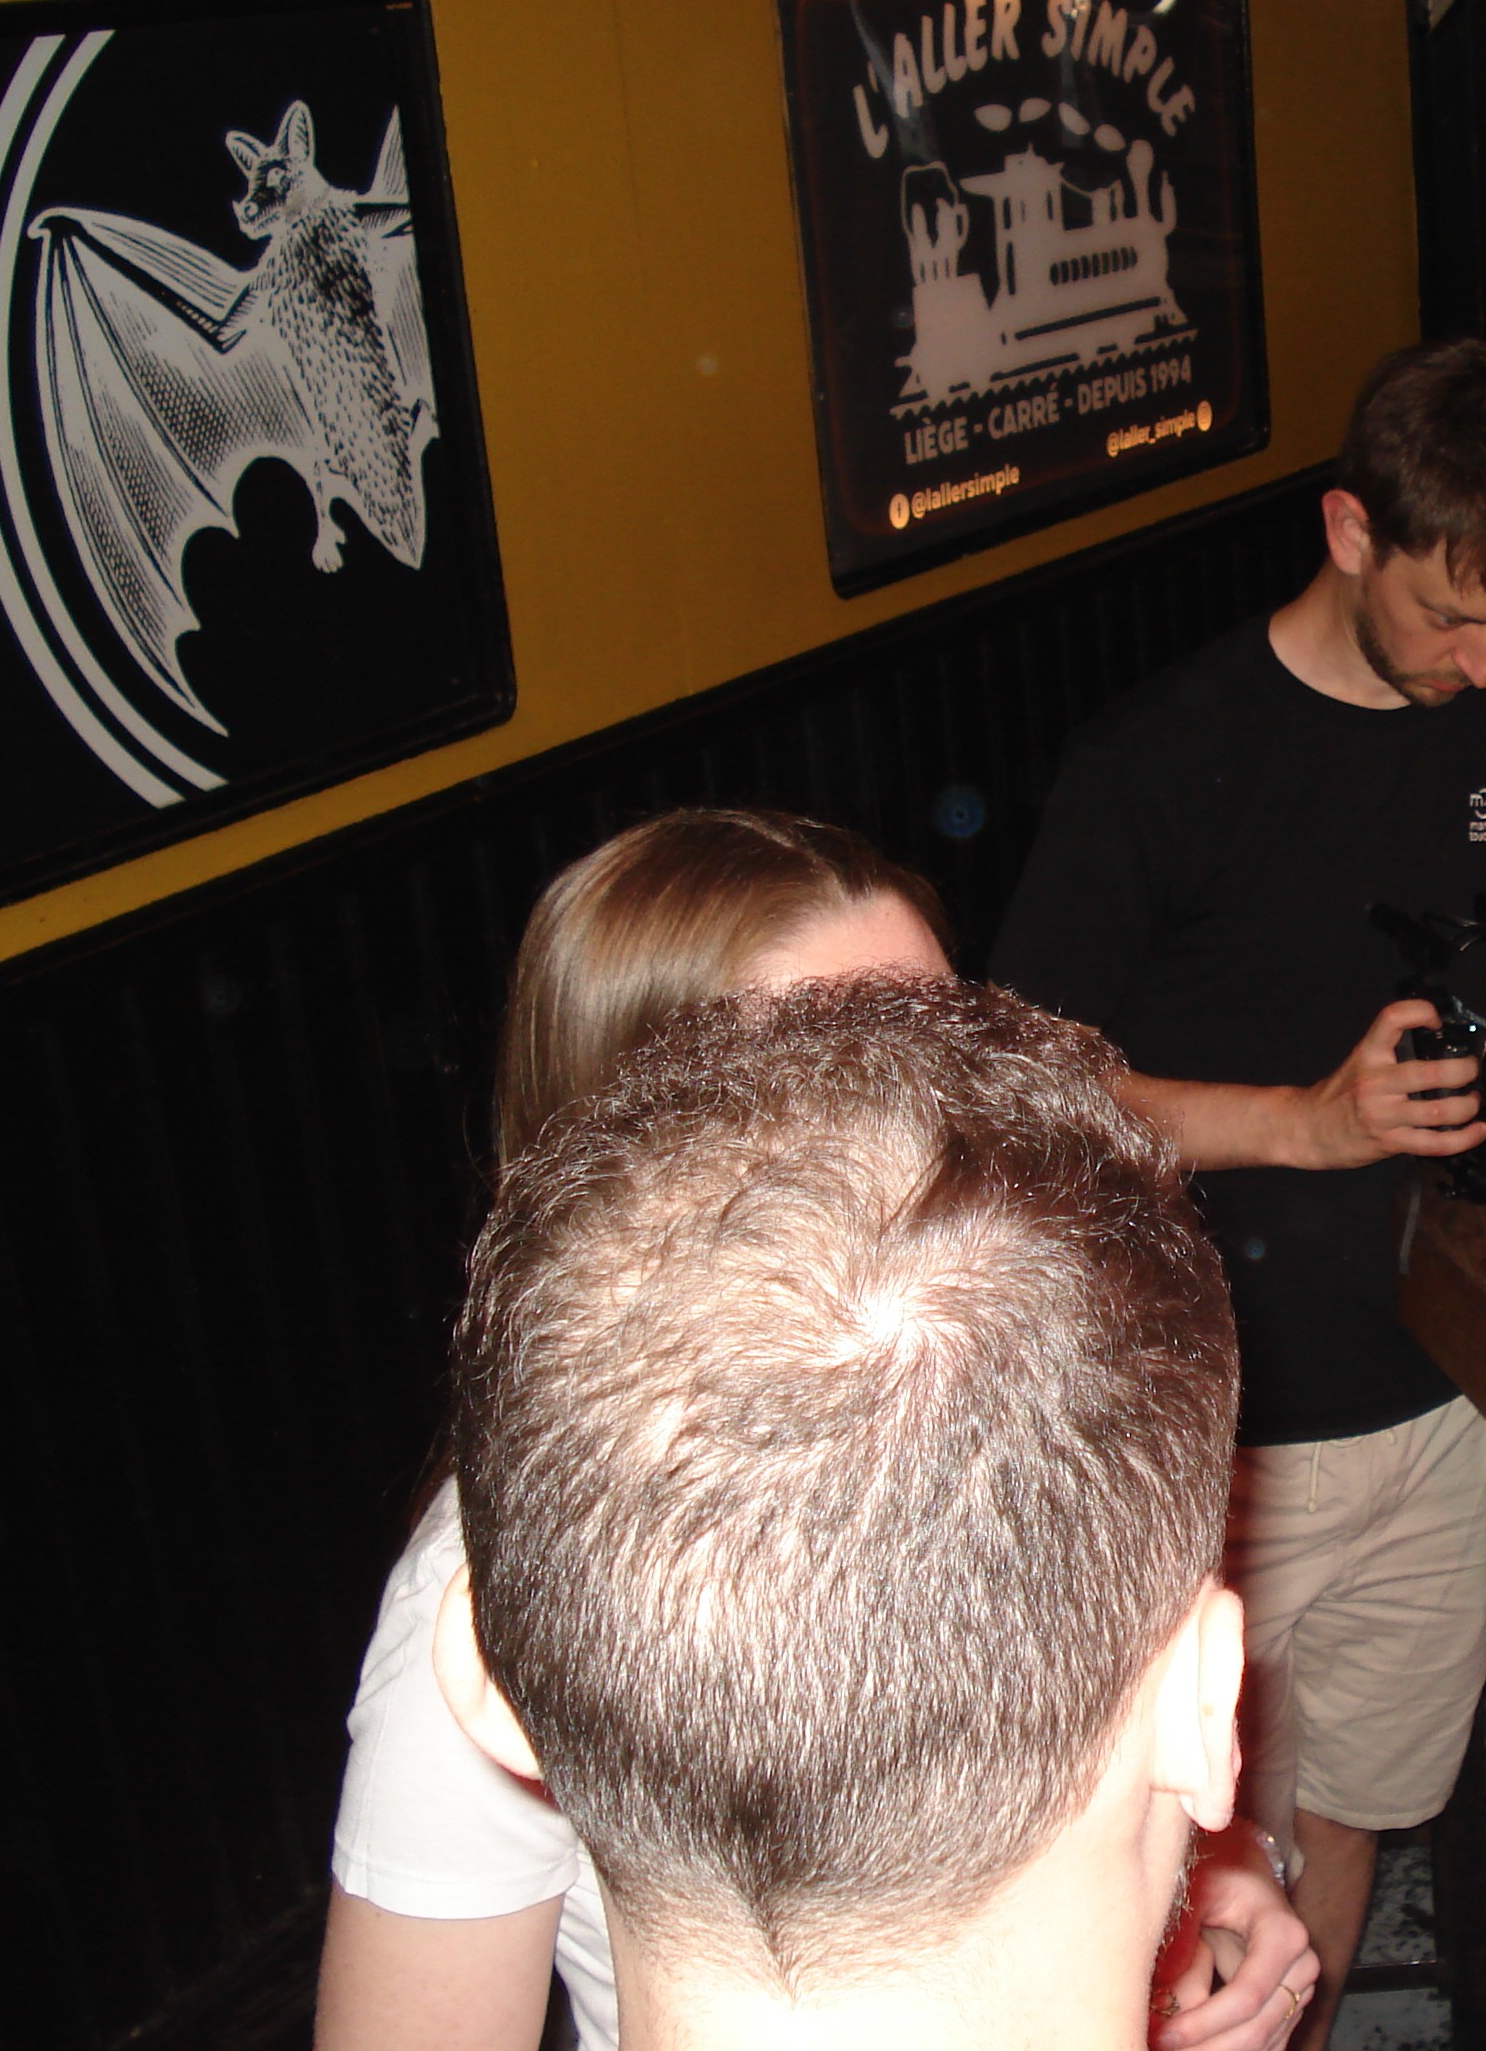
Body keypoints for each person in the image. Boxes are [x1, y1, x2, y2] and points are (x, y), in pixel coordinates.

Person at [991, 338, 1486, 2048]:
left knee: (1350, 1815)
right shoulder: (1157, 761)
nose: (1485, 672)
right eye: (1453, 619)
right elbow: (1028, 1084)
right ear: (1347, 530)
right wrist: (1305, 1123)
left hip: (1449, 1375)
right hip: (1218, 1425)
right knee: (1173, 1849)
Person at [316, 810, 1315, 2051]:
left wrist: (1194, 1864)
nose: (954, 1122)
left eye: (952, 1041)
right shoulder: (489, 1594)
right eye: (840, 1065)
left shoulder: (992, 1407)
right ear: (637, 1131)